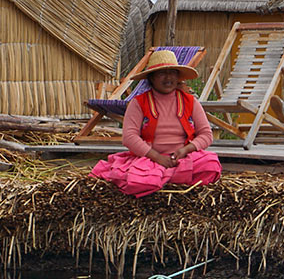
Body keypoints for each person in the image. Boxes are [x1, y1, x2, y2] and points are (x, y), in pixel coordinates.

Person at [89, 49, 222, 197]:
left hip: (183, 158)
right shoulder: (138, 103)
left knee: (210, 165)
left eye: (172, 72)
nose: (168, 78)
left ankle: (165, 177)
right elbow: (129, 137)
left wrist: (185, 150)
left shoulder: (190, 101)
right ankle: (169, 177)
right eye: (161, 73)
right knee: (138, 182)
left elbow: (206, 134)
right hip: (149, 159)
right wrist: (157, 157)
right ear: (151, 78)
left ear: (178, 76)